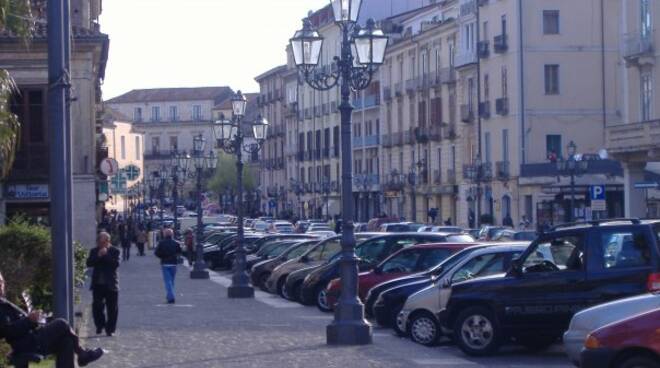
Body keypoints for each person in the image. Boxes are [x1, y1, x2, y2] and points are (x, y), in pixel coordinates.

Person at [0, 271, 104, 367]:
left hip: (31, 338)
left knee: (66, 341)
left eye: (1, 282)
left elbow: (19, 324)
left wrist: (35, 319)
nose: (0, 285)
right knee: (61, 324)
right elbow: (7, 332)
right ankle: (82, 354)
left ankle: (82, 355)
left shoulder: (4, 302)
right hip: (25, 345)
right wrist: (29, 321)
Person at [86, 232, 120, 337]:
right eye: (100, 242)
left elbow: (115, 264)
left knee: (112, 308)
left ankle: (110, 329)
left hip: (111, 283)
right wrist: (99, 255)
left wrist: (105, 255)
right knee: (97, 306)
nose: (101, 244)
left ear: (108, 241)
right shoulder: (94, 251)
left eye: (104, 242)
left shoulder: (115, 251)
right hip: (98, 284)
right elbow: (89, 263)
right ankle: (100, 325)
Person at [154, 228, 182, 304]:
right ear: (172, 235)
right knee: (171, 281)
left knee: (168, 281)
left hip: (165, 263)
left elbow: (156, 253)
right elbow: (179, 252)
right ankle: (169, 295)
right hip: (173, 263)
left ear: (164, 235)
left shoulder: (161, 243)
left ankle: (171, 297)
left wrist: (162, 256)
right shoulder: (176, 243)